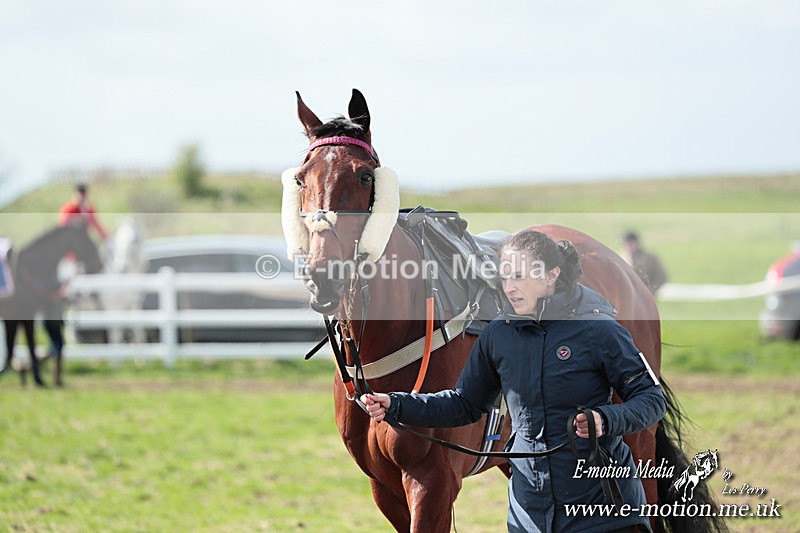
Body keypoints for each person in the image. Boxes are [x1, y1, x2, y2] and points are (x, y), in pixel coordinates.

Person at [362, 230, 666, 533]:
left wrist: (606, 418)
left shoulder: (600, 330)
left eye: (520, 276)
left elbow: (652, 400)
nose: (510, 288)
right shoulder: (499, 336)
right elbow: (464, 404)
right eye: (505, 278)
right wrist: (397, 405)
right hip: (530, 513)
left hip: (602, 510)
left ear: (551, 276)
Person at [622, 231, 667, 295]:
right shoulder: (620, 258)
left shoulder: (649, 258)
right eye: (628, 243)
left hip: (646, 296)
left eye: (632, 243)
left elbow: (661, 276)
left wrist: (651, 290)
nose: (631, 246)